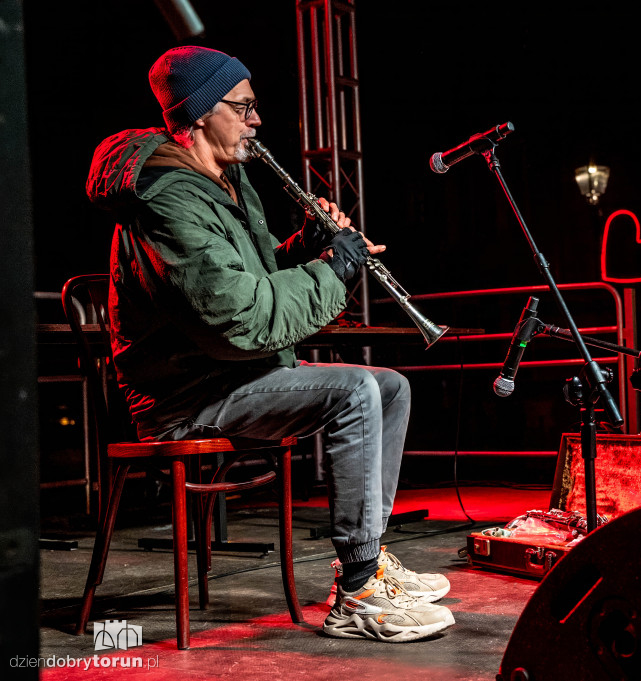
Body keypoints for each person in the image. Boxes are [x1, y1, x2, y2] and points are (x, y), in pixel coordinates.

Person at [85, 45, 454, 643]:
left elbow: (247, 279)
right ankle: (356, 593)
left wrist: (308, 246)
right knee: (356, 388)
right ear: (201, 112)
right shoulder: (166, 198)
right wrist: (334, 271)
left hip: (227, 374)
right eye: (244, 107)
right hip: (185, 395)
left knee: (390, 387)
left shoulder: (226, 181)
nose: (257, 121)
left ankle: (368, 560)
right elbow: (236, 316)